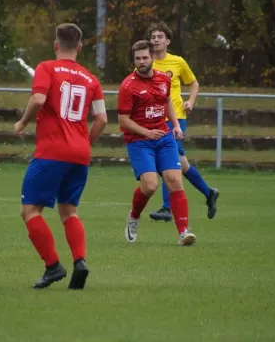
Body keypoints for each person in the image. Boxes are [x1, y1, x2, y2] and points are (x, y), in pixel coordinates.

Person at [14, 23, 108, 290]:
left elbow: (39, 100)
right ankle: (80, 261)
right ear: (79, 47)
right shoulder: (92, 79)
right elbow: (102, 118)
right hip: (79, 155)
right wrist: (84, 144)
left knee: (30, 210)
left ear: (56, 45)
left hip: (51, 152)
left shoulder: (46, 68)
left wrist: (22, 122)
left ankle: (53, 266)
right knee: (69, 211)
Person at [118, 40, 196, 246]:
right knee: (151, 186)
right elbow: (123, 120)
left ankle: (183, 232)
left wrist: (175, 125)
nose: (141, 62)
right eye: (137, 59)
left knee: (175, 181)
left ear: (153, 57)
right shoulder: (128, 86)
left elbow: (167, 101)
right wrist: (146, 132)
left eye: (145, 57)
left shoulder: (163, 79)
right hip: (139, 141)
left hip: (164, 137)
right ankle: (134, 216)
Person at [146, 21, 219, 222]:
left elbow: (194, 82)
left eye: (160, 37)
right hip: (154, 118)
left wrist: (191, 101)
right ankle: (209, 193)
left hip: (176, 118)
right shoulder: (146, 62)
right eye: (153, 37)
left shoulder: (177, 62)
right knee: (182, 165)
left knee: (166, 160)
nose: (156, 40)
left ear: (168, 41)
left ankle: (167, 208)